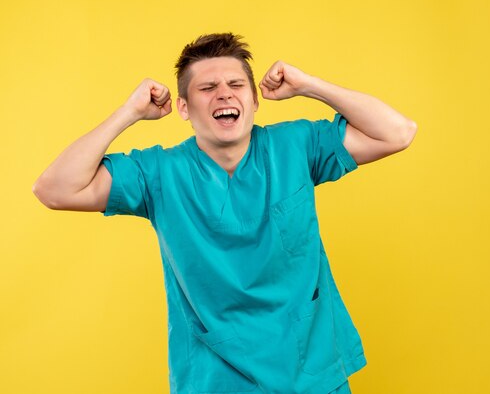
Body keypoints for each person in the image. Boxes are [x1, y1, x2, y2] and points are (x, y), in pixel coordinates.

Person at [33, 33, 417, 394]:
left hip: (310, 371)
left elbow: (397, 132)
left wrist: (309, 86)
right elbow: (54, 189)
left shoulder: (296, 145)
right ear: (183, 107)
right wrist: (128, 112)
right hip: (214, 377)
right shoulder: (159, 174)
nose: (223, 95)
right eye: (206, 88)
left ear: (254, 100)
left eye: (236, 86)